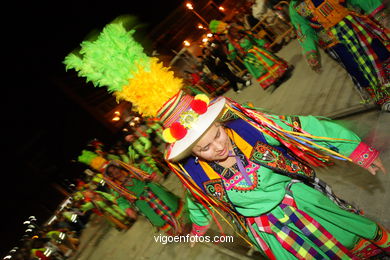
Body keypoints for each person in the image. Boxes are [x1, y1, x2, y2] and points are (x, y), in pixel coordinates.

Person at [64, 20, 389, 259]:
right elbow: (198, 201)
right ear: (192, 152)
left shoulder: (251, 129)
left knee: (355, 235)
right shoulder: (196, 172)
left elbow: (308, 127)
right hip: (268, 233)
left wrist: (356, 150)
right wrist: (198, 228)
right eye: (204, 148)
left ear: (221, 122)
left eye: (217, 134)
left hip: (306, 205)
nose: (217, 147)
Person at [289, 0, 390, 111]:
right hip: (335, 43)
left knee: (380, 52)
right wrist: (310, 52)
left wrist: (379, 14)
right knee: (356, 68)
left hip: (357, 26)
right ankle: (383, 97)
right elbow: (304, 30)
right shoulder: (295, 6)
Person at [77, 149, 185, 235]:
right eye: (111, 173)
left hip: (154, 191)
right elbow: (121, 201)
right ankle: (178, 233)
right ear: (110, 176)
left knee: (172, 206)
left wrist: (151, 174)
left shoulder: (132, 170)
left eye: (114, 169)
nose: (114, 172)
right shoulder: (116, 188)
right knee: (159, 219)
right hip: (143, 204)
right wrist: (128, 210)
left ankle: (188, 225)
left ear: (117, 167)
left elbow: (143, 168)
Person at [209, 20, 293, 90]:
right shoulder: (232, 43)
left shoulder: (244, 33)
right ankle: (274, 80)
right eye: (231, 32)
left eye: (233, 30)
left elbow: (256, 38)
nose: (233, 32)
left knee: (269, 62)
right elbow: (232, 56)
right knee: (261, 69)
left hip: (257, 51)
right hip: (249, 59)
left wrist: (264, 44)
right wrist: (227, 53)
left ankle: (280, 74)